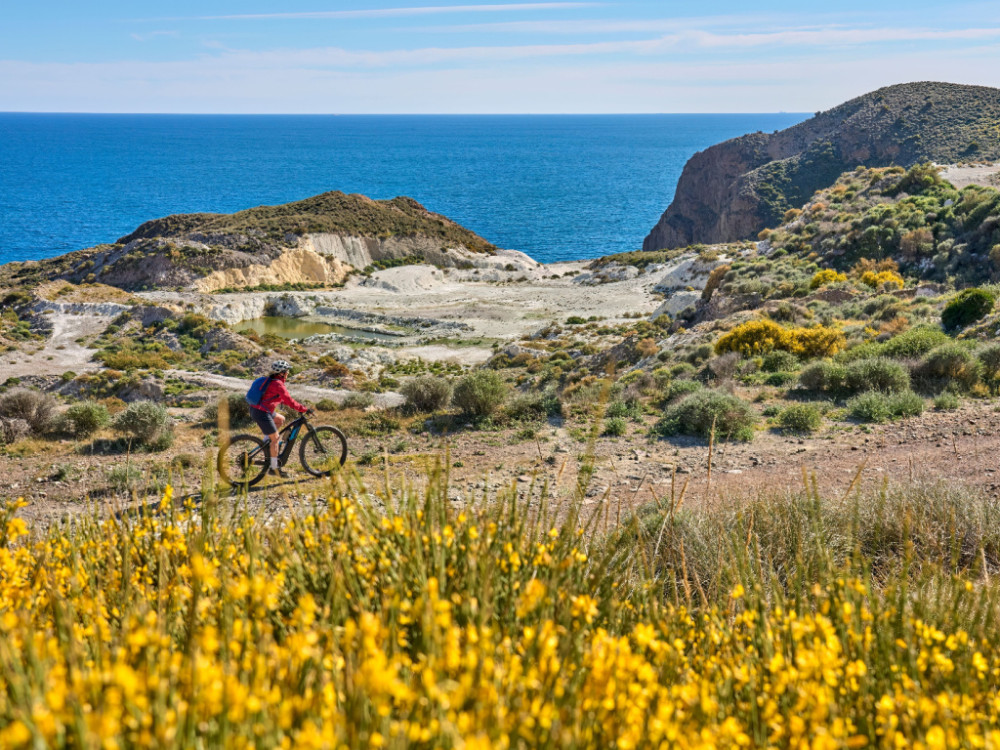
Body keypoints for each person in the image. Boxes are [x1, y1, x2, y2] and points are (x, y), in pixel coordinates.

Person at [249, 360, 310, 476]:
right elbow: (289, 400)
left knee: (280, 419)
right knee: (276, 439)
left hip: (257, 409)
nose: (288, 374)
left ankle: (266, 445)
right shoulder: (278, 384)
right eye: (287, 372)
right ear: (282, 373)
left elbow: (280, 398)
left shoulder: (271, 381)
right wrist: (303, 409)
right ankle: (273, 468)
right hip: (261, 413)